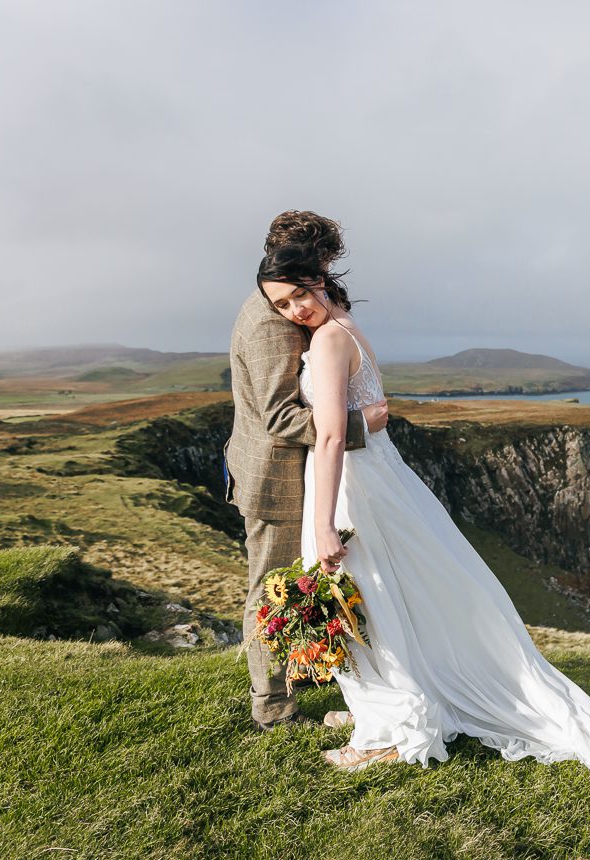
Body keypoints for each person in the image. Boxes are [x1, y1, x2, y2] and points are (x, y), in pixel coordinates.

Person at [255, 228, 590, 836]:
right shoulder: (346, 323)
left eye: (297, 296)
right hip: (378, 477)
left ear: (317, 276)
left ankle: (395, 730)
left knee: (369, 601)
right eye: (281, 306)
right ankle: (391, 702)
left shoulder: (330, 341)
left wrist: (323, 523)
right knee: (386, 598)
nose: (293, 311)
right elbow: (362, 415)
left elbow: (332, 436)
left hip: (354, 488)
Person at [226, 211, 391, 731]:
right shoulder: (271, 323)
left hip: (300, 474)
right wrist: (357, 424)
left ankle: (313, 682)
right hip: (274, 479)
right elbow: (279, 416)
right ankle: (272, 708)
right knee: (270, 588)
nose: (320, 277)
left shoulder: (289, 306)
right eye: (319, 263)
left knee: (304, 584)